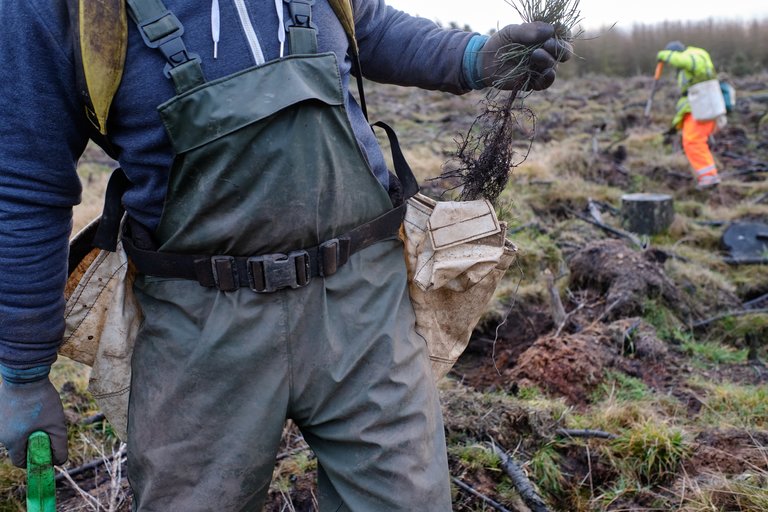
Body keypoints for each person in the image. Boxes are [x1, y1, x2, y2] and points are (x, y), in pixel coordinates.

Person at [0, 1, 571, 509]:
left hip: (364, 306)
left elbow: (364, 25)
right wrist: (23, 371)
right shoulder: (51, 11)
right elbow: (26, 180)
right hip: (200, 330)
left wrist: (471, 57)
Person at [657, 41, 722, 189]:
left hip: (701, 108)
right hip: (698, 108)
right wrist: (675, 125)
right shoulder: (691, 64)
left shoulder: (693, 56)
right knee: (692, 141)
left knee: (694, 142)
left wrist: (663, 55)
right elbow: (685, 107)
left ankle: (709, 176)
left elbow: (683, 60)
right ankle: (707, 175)